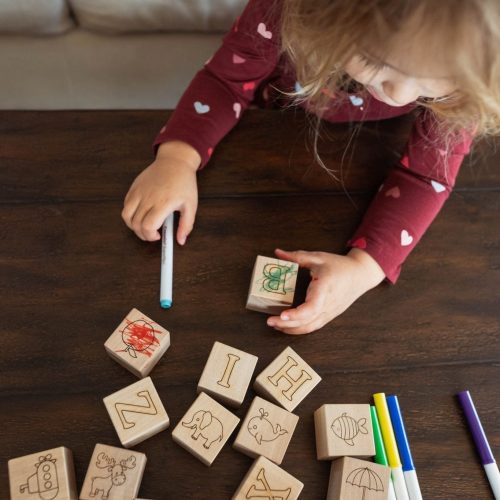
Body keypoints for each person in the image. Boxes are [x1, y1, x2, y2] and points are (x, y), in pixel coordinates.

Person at [122, 0, 500, 334]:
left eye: (435, 83)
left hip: (367, 143)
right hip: (273, 116)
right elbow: (225, 82)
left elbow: (427, 176)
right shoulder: (283, 8)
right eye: (376, 62)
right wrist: (177, 157)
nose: (401, 94)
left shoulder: (469, 65)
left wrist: (363, 270)